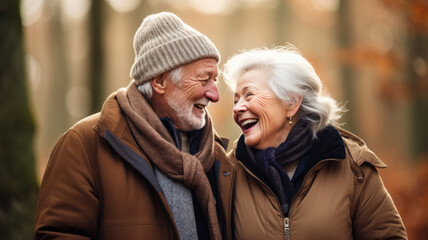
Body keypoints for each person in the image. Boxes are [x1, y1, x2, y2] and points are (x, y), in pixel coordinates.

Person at [34, 12, 235, 240]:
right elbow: (59, 234)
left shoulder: (217, 156)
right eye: (203, 79)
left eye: (215, 80)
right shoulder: (84, 144)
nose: (215, 94)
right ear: (159, 81)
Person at [223, 46, 407, 239]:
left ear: (292, 102)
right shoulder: (228, 172)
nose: (238, 108)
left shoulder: (353, 166)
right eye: (236, 101)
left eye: (249, 94)